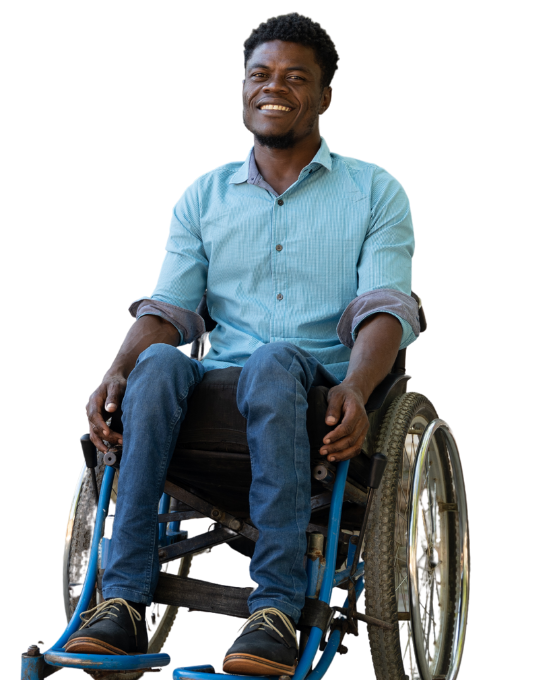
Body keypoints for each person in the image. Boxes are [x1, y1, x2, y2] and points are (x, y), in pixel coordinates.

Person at [67, 11, 420, 677]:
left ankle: (276, 610)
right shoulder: (204, 196)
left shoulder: (374, 190)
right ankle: (121, 603)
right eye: (260, 74)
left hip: (314, 393)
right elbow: (168, 308)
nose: (273, 87)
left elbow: (385, 308)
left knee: (274, 360)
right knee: (161, 363)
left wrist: (356, 389)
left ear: (324, 98)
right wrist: (117, 369)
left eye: (295, 77)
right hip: (216, 395)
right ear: (242, 88)